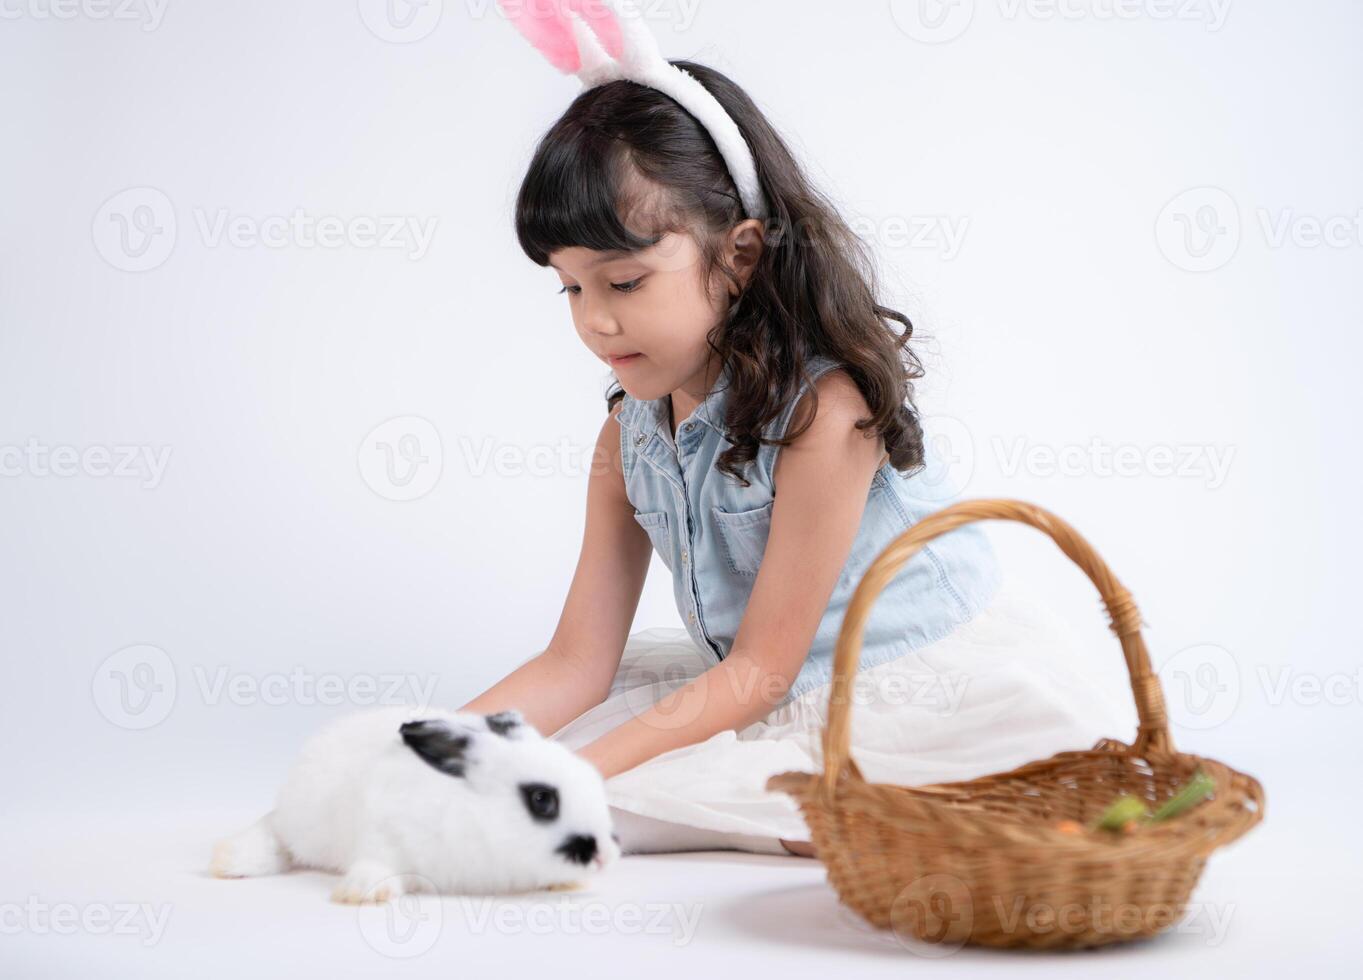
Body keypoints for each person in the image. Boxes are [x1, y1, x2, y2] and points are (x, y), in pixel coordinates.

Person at [460, 0, 1127, 858]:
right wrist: (428, 745)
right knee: (529, 761)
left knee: (615, 802)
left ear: (738, 253)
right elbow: (576, 663)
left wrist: (572, 780)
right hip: (757, 682)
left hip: (889, 683)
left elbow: (761, 672)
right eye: (571, 289)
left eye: (623, 283)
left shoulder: (825, 415)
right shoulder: (625, 437)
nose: (595, 322)